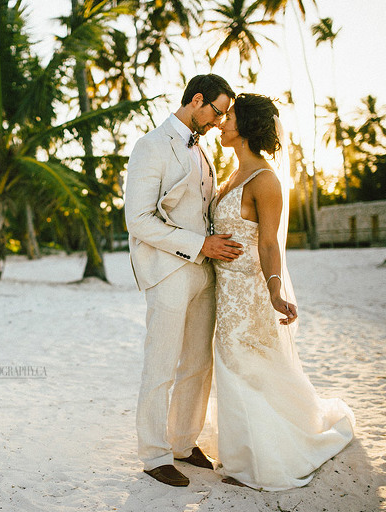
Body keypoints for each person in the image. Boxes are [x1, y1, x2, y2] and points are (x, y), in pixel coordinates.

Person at [212, 93, 355, 490]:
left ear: (247, 127)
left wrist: (275, 293)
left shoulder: (267, 180)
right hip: (224, 292)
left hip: (250, 294)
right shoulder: (231, 176)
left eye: (230, 118)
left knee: (246, 369)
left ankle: (259, 462)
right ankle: (242, 453)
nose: (222, 124)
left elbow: (270, 243)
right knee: (235, 367)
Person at [124, 74, 241, 487]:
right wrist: (199, 245)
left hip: (204, 273)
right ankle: (154, 454)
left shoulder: (202, 151)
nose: (218, 122)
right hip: (168, 270)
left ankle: (183, 442)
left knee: (197, 363)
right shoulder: (150, 146)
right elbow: (138, 219)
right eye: (217, 111)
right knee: (160, 363)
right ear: (196, 100)